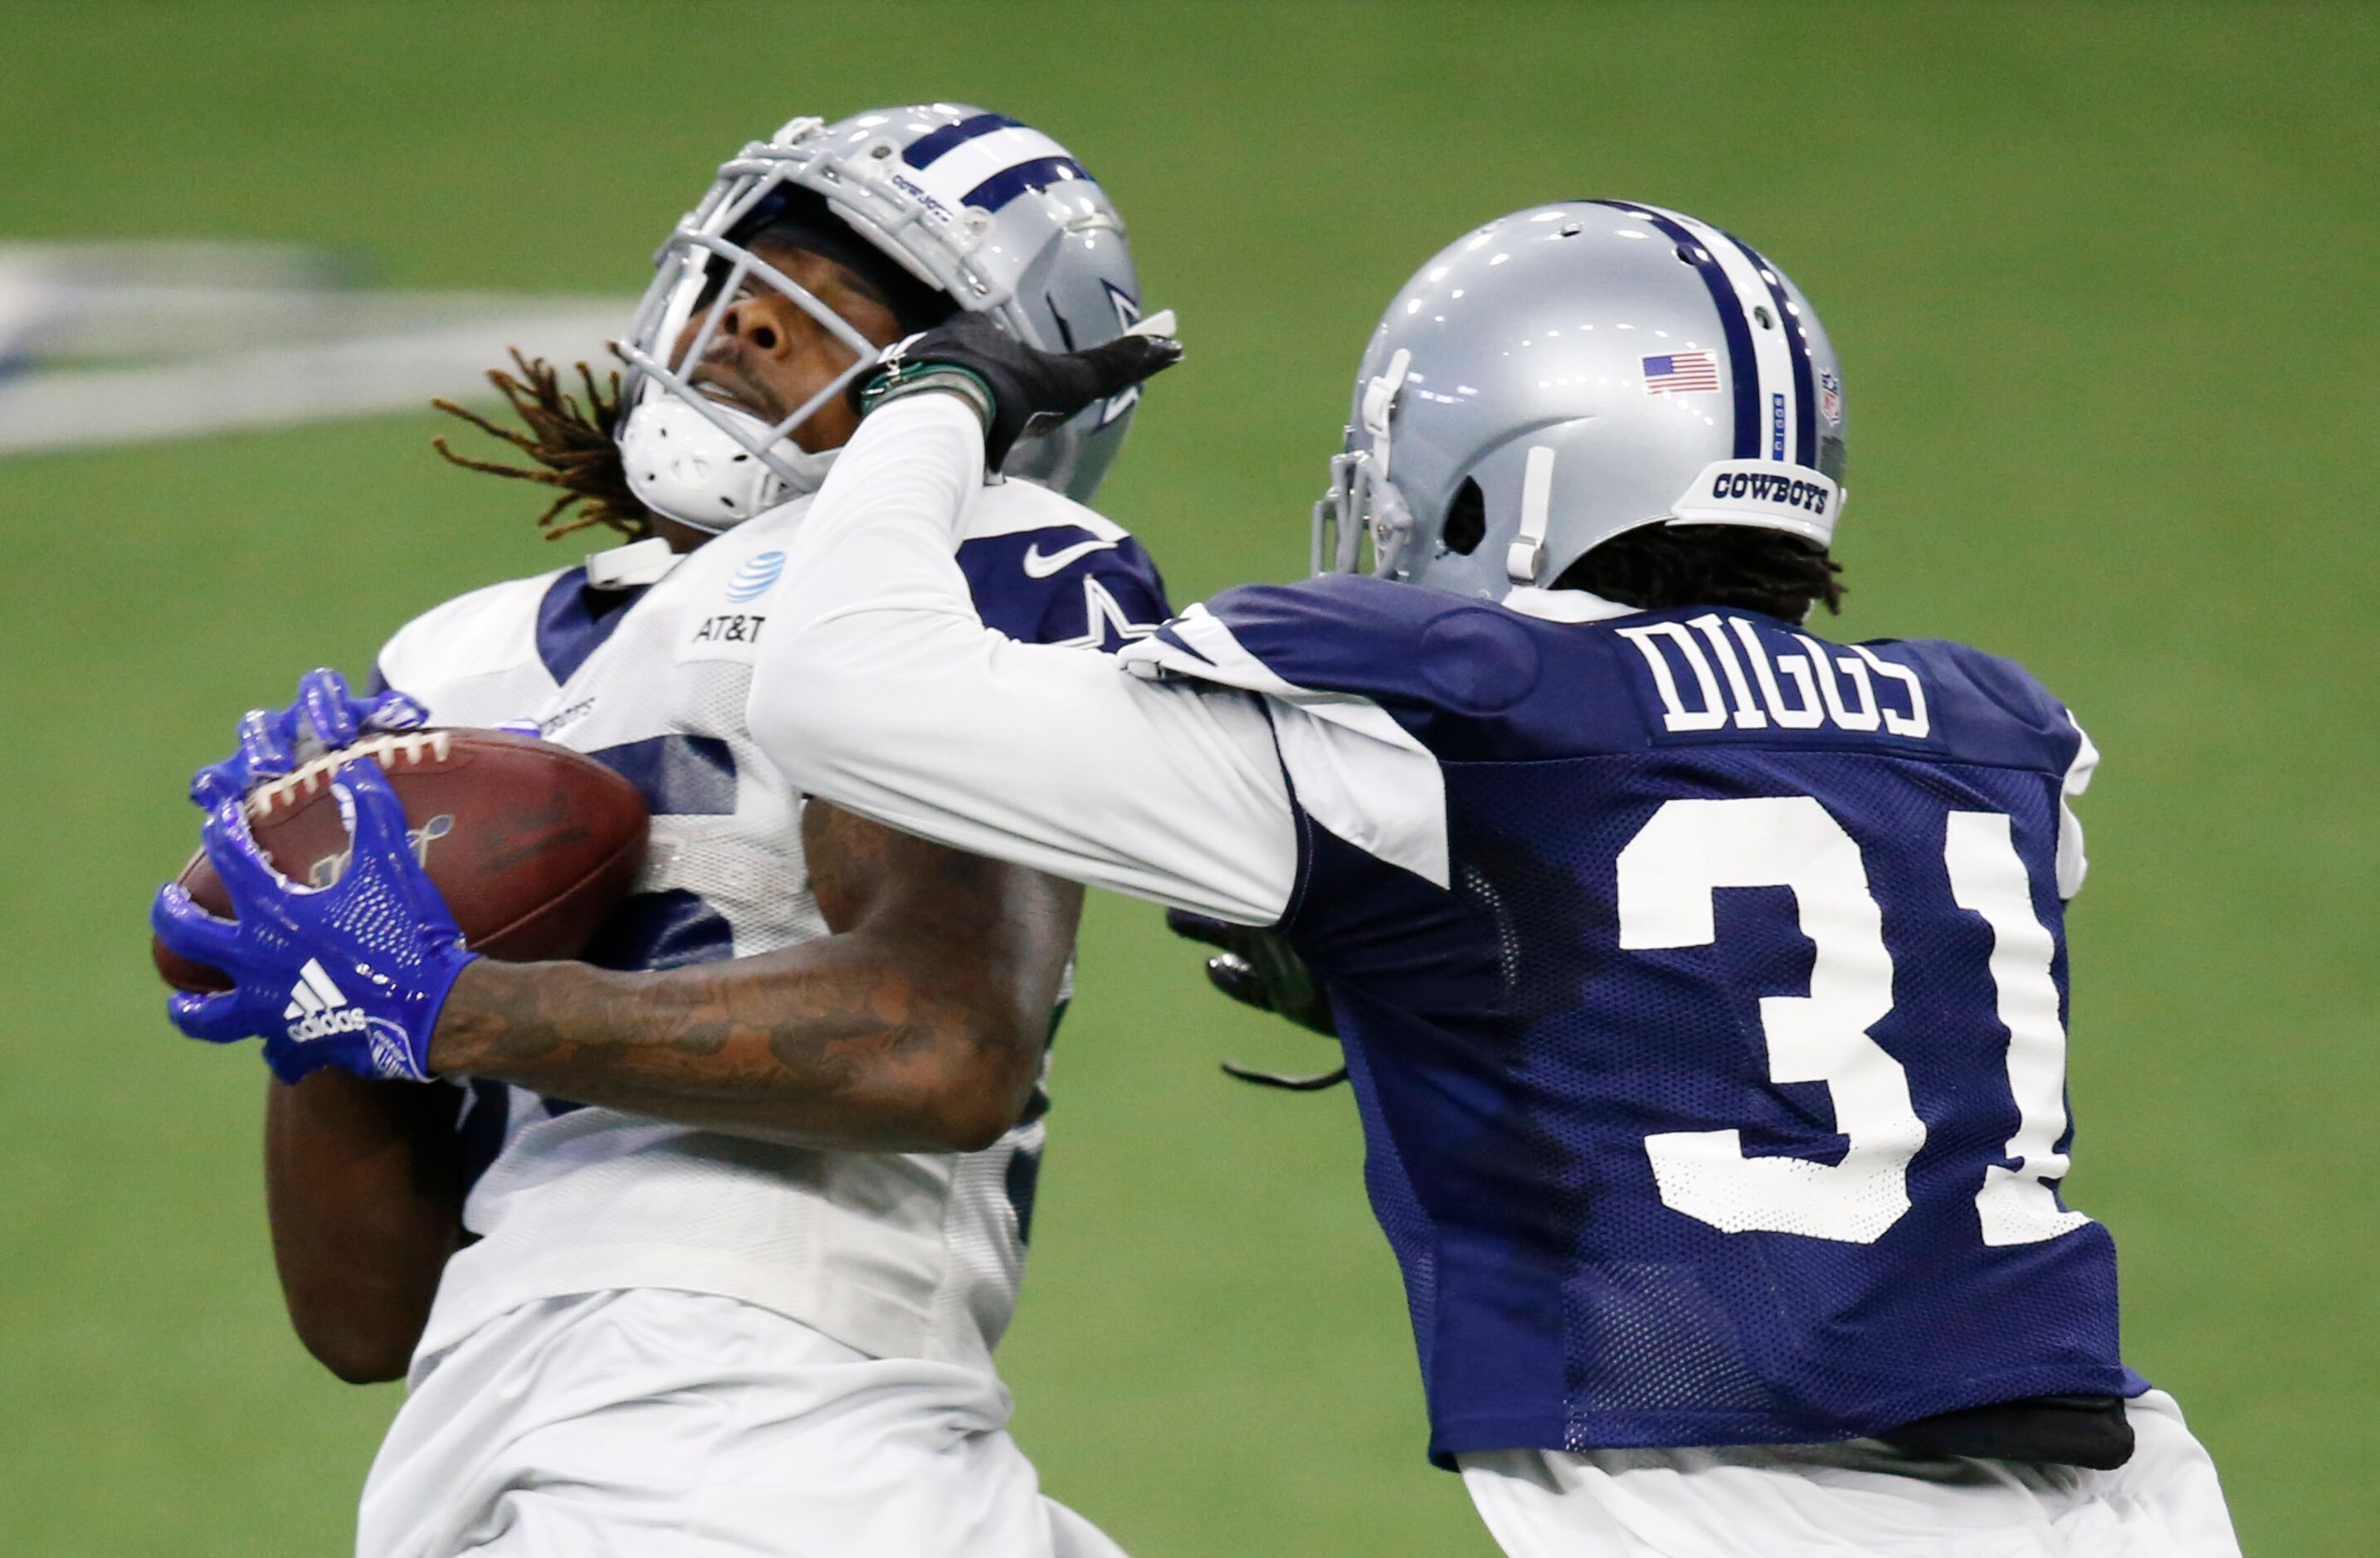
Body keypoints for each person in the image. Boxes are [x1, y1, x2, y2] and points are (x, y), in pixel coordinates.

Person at [160, 200, 2246, 1555]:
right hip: (2129, 1493)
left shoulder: (1415, 735)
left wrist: (944, 410)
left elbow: (854, 686)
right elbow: (1751, 948)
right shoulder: (1999, 739)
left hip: (1741, 1514)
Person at [163, 105, 1169, 1558]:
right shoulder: (458, 657)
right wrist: (321, 982)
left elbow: (942, 1038)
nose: (755, 318)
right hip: (484, 1432)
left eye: (848, 305)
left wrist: (452, 1001)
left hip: (770, 1408)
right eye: (746, 275)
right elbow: (360, 1315)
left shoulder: (968, 558)